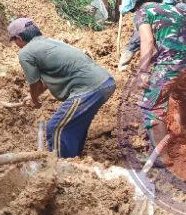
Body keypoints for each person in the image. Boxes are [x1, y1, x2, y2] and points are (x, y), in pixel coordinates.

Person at [8, 18, 116, 158]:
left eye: (14, 41)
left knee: (55, 128)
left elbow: (34, 83)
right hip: (105, 83)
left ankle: (61, 168)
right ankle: (74, 159)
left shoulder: (26, 53)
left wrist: (35, 100)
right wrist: (34, 96)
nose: (16, 44)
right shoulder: (50, 42)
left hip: (88, 88)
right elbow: (45, 83)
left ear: (19, 38)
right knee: (73, 125)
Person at [121, 0, 186, 163]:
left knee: (151, 105)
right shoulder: (174, 9)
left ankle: (162, 156)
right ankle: (182, 135)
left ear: (135, 4)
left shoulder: (143, 12)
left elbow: (147, 40)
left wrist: (143, 71)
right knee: (181, 94)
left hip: (172, 62)